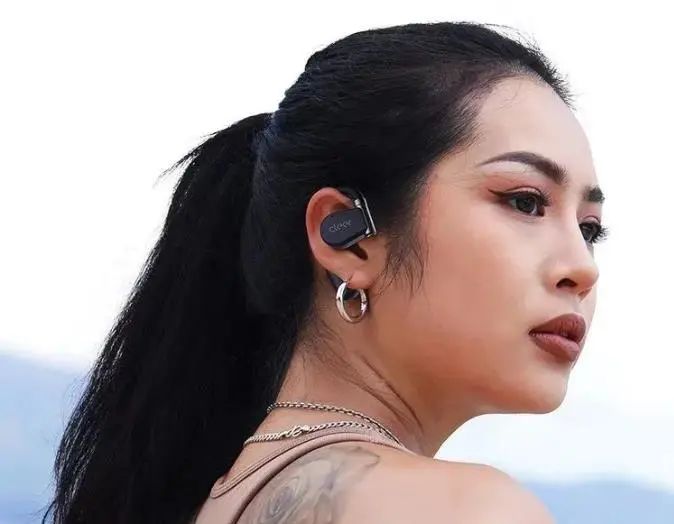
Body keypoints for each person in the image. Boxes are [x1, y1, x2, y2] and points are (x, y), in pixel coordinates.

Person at [44, 20, 608, 524]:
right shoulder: (469, 511)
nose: (582, 268)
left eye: (589, 229)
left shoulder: (213, 498)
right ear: (349, 239)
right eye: (525, 201)